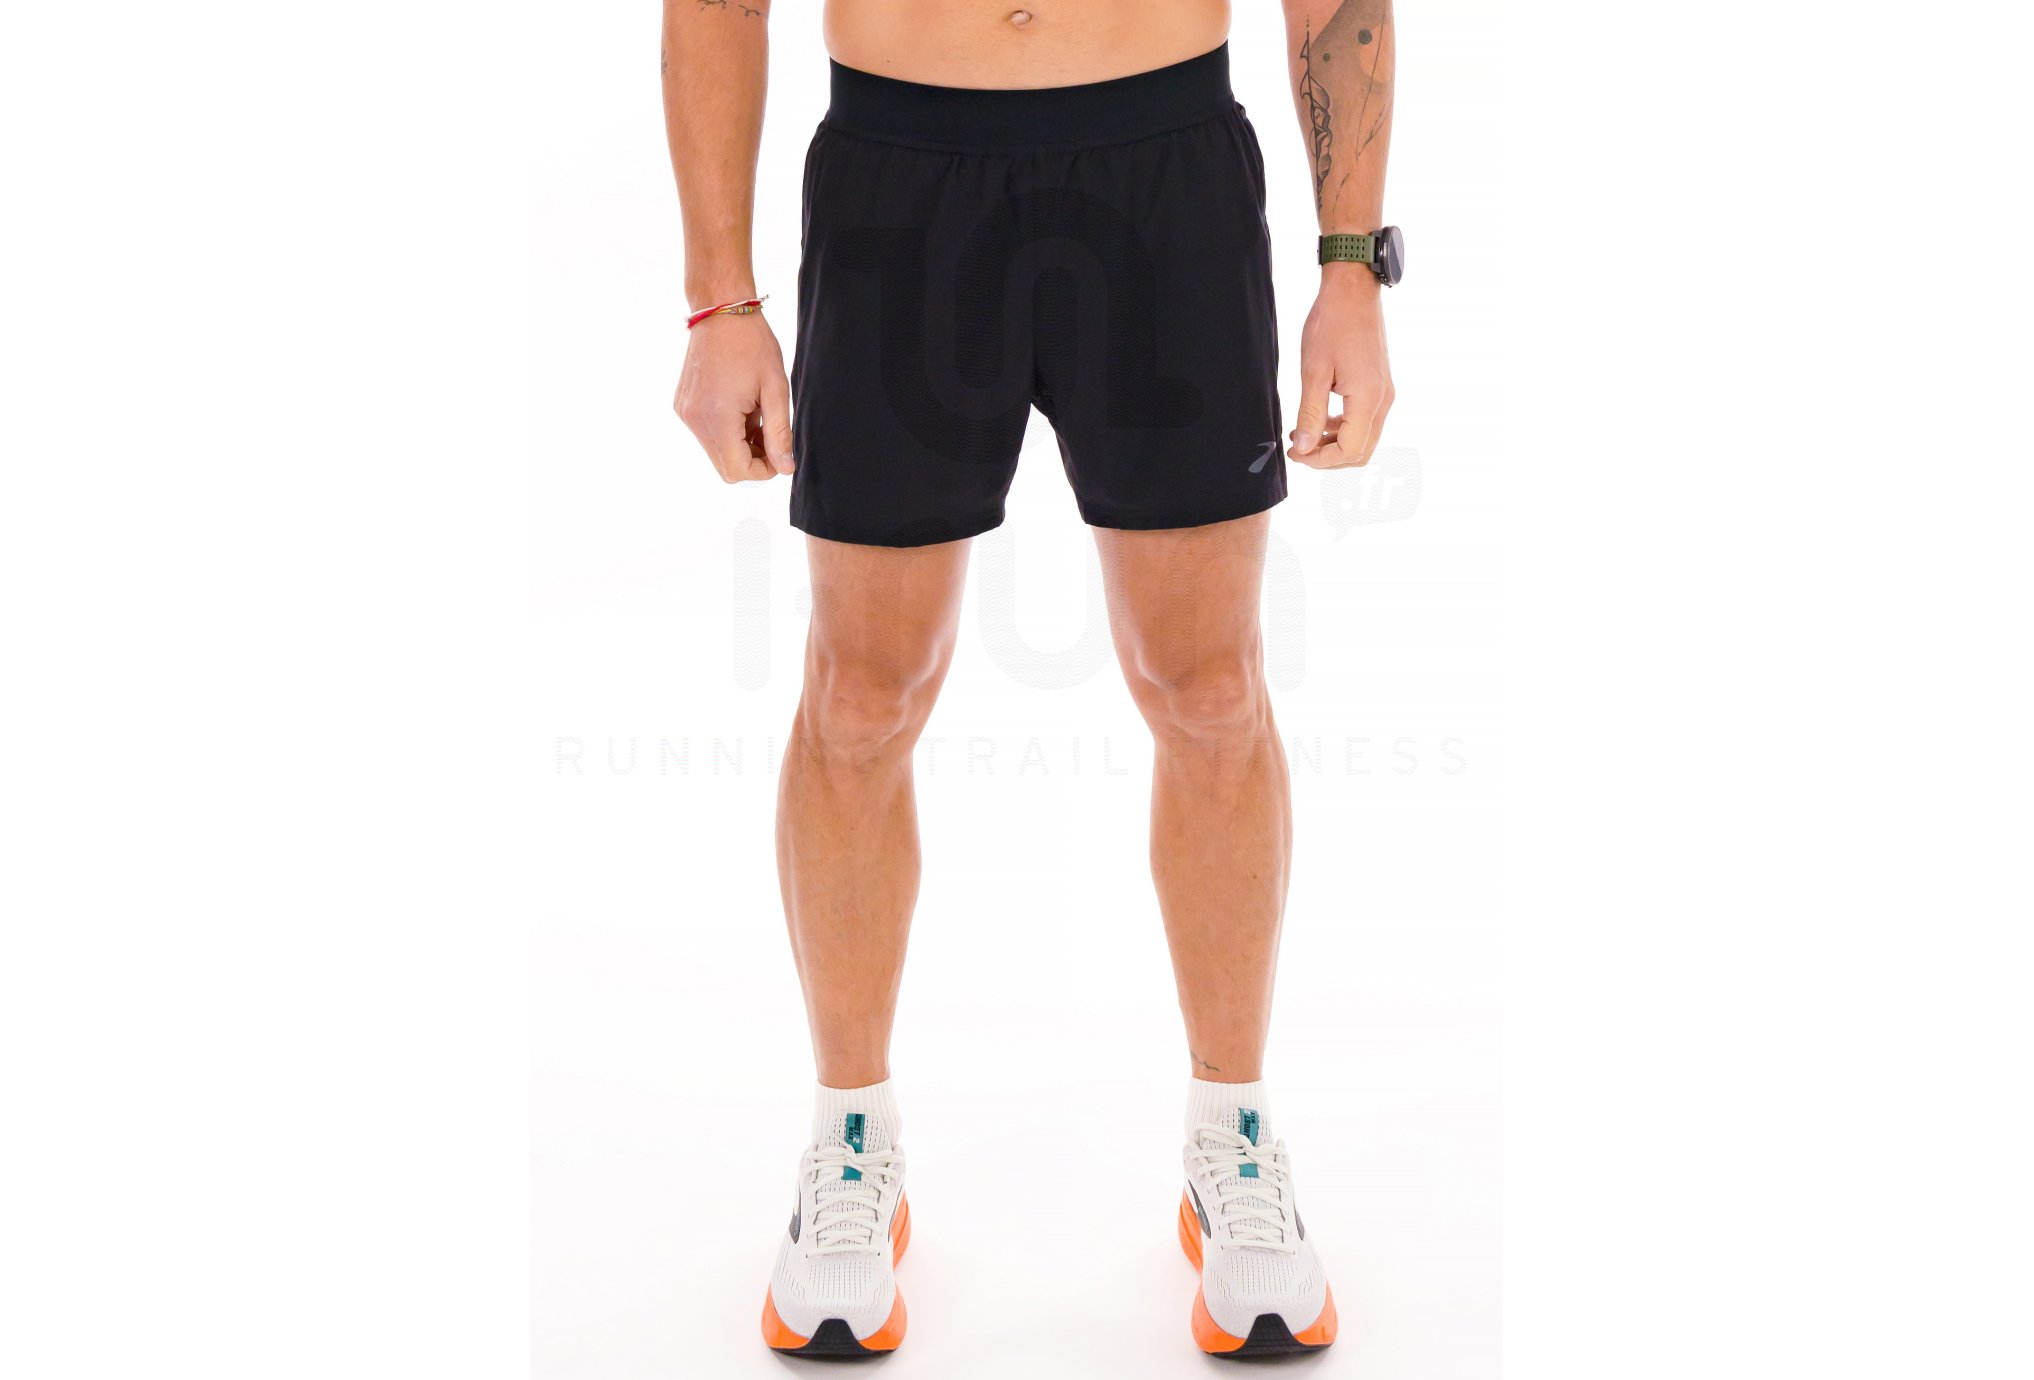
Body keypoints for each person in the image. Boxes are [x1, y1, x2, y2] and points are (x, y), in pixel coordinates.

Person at [661, 0, 1396, 1357]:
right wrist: (721, 300)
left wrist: (1349, 264)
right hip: (899, 176)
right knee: (862, 696)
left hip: (1164, 166)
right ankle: (849, 1143)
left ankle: (1231, 1134)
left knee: (1210, 691)